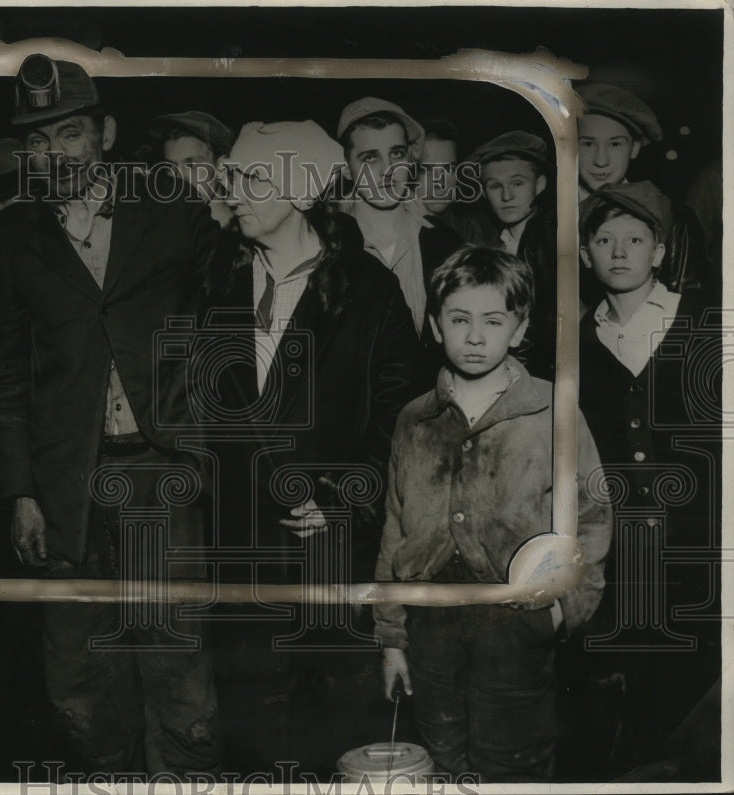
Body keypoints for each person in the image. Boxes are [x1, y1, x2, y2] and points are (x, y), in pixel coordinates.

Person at [0, 53, 221, 776]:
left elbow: (232, 322)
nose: (52, 153)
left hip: (159, 473)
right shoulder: (15, 233)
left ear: (105, 133)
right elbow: (4, 375)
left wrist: (197, 443)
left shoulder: (174, 208)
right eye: (37, 139)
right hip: (66, 486)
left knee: (174, 663)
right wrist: (21, 491)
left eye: (70, 133)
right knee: (80, 683)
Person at [201, 119, 421, 774]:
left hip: (333, 555)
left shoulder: (368, 291)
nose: (234, 190)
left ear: (300, 191)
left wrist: (339, 495)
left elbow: (400, 417)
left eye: (253, 177)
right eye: (231, 175)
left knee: (337, 739)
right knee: (253, 741)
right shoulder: (214, 282)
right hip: (241, 558)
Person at [374, 246, 612, 783]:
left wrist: (562, 610)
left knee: (513, 767)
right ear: (436, 326)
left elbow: (592, 518)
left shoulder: (553, 411)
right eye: (459, 319)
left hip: (514, 624)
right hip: (429, 624)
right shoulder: (414, 419)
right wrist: (392, 638)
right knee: (441, 763)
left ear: (521, 326)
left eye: (493, 320)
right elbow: (395, 526)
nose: (475, 336)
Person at [574, 181, 721, 777]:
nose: (618, 251)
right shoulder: (577, 342)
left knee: (695, 709)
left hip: (698, 554)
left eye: (635, 239)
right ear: (585, 254)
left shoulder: (706, 324)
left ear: (659, 251)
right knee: (627, 707)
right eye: (603, 239)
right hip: (619, 559)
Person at [336, 97, 462, 361]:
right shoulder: (325, 245)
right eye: (370, 158)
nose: (388, 171)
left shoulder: (446, 245)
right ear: (346, 169)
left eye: (397, 154)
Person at [576, 82, 708, 301]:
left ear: (635, 147)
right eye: (588, 144)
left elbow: (687, 310)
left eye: (615, 144)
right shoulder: (546, 221)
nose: (601, 160)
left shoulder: (676, 221)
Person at [465, 131, 557, 379]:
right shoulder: (488, 244)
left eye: (517, 183)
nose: (507, 196)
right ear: (484, 192)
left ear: (540, 185)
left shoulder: (552, 239)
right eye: (495, 186)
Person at [149, 110, 234, 226]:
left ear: (221, 167)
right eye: (171, 166)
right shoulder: (163, 230)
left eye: (192, 165)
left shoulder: (247, 237)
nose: (179, 178)